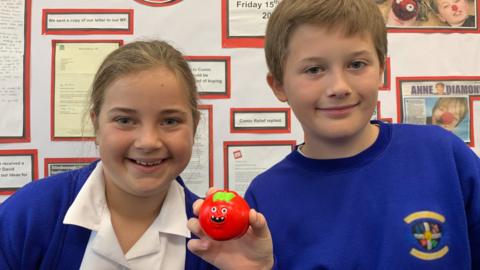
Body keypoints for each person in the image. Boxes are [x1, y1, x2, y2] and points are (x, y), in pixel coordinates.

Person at [240, 0, 479, 268]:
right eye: (314, 69)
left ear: (381, 70)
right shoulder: (266, 197)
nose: (339, 87)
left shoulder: (442, 155)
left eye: (356, 64)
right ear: (279, 85)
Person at [0, 40, 274, 270]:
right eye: (125, 120)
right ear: (96, 125)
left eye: (169, 121)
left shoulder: (215, 242)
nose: (148, 141)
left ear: (195, 126)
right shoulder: (30, 215)